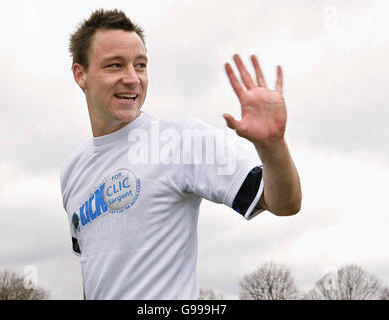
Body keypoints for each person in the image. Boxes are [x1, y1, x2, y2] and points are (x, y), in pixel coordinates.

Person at [60, 8, 302, 300]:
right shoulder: (71, 170)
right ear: (80, 74)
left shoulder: (181, 139)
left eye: (140, 65)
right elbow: (92, 273)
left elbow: (284, 203)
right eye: (114, 65)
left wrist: (272, 147)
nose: (133, 78)